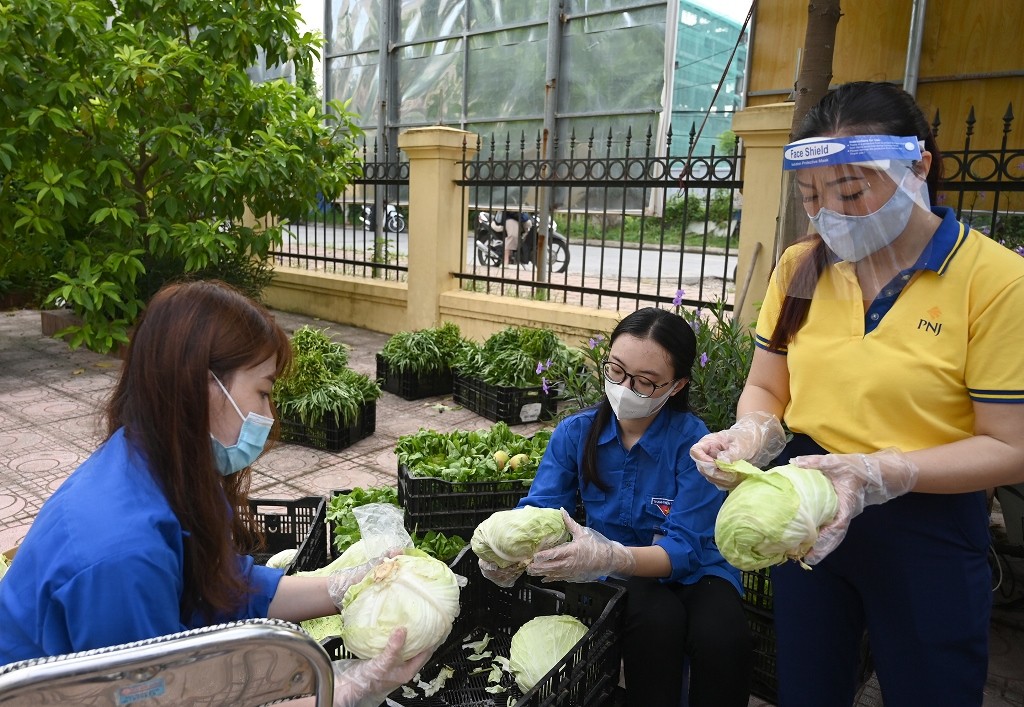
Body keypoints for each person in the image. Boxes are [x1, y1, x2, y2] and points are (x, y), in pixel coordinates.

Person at [690, 81, 1024, 707]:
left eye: (851, 191)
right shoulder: (801, 267)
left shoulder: (997, 283)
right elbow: (767, 383)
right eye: (813, 197)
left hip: (928, 515)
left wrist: (879, 471)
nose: (830, 214)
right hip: (810, 504)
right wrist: (753, 432)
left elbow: (1011, 445)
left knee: (933, 690)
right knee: (809, 687)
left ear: (918, 165)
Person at [0, 280, 431, 706]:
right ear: (204, 384)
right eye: (262, 392)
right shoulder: (123, 552)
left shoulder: (162, 468)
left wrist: (343, 586)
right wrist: (345, 692)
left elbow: (225, 587)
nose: (268, 416)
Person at [480, 307, 754, 707]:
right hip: (615, 571)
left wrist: (610, 554)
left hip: (697, 571)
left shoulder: (696, 445)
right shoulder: (577, 433)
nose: (626, 387)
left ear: (676, 386)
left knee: (723, 638)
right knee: (656, 623)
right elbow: (542, 510)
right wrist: (508, 552)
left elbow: (685, 551)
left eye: (646, 382)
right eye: (616, 371)